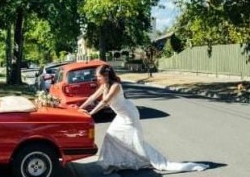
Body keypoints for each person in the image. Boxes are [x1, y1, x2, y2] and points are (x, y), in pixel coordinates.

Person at [79, 64, 208, 175]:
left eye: (98, 76)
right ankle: (113, 164)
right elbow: (92, 97)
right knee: (111, 137)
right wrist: (80, 108)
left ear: (105, 76)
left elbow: (105, 101)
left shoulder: (115, 86)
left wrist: (91, 113)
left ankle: (154, 160)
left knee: (136, 142)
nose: (97, 78)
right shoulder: (105, 85)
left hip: (129, 115)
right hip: (121, 115)